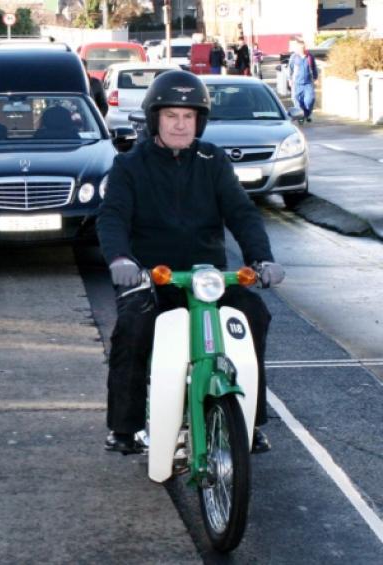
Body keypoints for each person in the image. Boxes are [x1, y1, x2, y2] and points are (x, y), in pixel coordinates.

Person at [96, 70, 284, 457]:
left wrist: (262, 258)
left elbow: (242, 213)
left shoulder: (212, 161)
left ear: (200, 121)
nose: (180, 125)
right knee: (133, 327)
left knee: (253, 314)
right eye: (171, 116)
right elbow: (112, 217)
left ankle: (249, 422)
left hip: (209, 281)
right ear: (155, 119)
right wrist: (120, 259)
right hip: (151, 279)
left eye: (189, 116)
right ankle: (125, 426)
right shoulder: (129, 166)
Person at [288, 38, 318, 123]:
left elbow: (314, 68)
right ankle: (301, 117)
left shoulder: (310, 57)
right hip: (297, 84)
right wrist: (290, 79)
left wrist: (315, 78)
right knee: (298, 102)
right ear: (297, 48)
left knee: (310, 100)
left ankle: (306, 114)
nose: (302, 49)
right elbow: (290, 69)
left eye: (303, 47)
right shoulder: (294, 57)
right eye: (300, 47)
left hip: (308, 83)